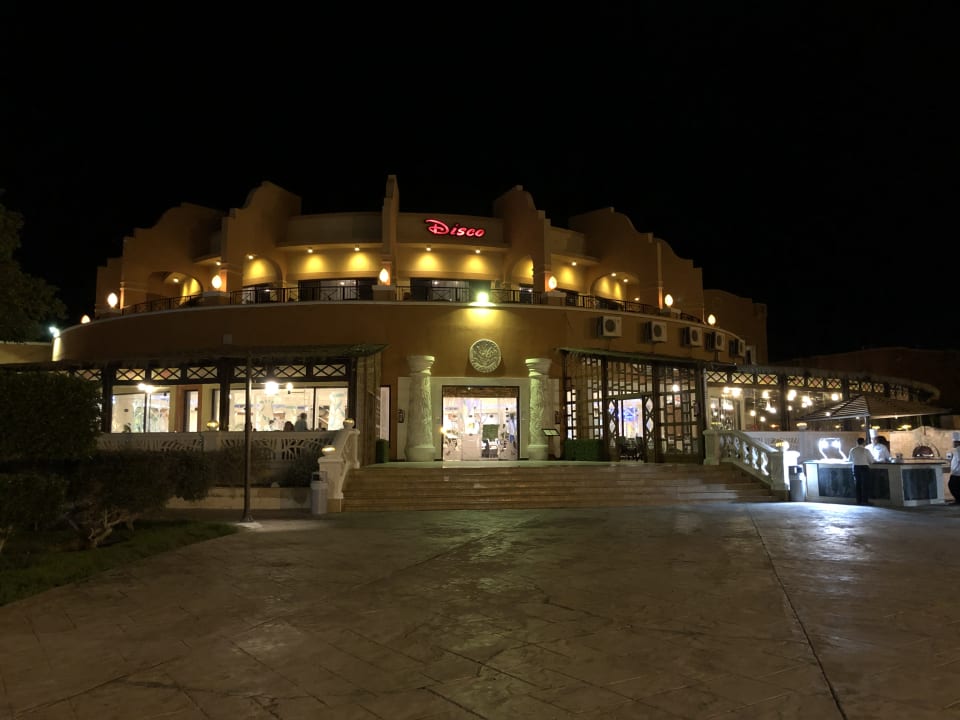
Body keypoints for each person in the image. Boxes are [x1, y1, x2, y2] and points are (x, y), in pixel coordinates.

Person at [848, 437, 874, 505]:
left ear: (857, 442)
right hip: (864, 468)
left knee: (858, 484)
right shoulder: (866, 450)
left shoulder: (852, 450)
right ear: (863, 442)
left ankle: (858, 500)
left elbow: (850, 460)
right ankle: (865, 501)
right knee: (865, 485)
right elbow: (872, 460)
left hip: (856, 467)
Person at [949, 433, 960, 504]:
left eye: (954, 442)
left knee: (952, 486)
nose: (953, 443)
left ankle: (958, 500)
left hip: (957, 473)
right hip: (956, 473)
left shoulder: (958, 449)